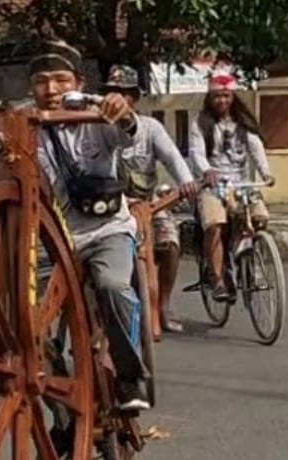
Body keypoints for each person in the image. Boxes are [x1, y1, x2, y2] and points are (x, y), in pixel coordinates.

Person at [0, 39, 153, 413]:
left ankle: (130, 376)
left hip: (105, 232)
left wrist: (122, 112)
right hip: (51, 242)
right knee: (26, 322)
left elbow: (127, 132)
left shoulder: (98, 113)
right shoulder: (22, 120)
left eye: (60, 80)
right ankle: (62, 403)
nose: (50, 89)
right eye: (41, 81)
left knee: (112, 285)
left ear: (78, 82)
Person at [101, 65, 197, 333]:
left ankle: (163, 305)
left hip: (150, 203)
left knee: (171, 243)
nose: (118, 98)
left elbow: (172, 156)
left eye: (124, 93)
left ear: (134, 98)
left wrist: (186, 181)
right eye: (112, 92)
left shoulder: (150, 128)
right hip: (113, 205)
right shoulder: (96, 127)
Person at [189, 69, 275, 302]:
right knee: (215, 225)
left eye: (226, 96)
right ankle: (217, 277)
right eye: (217, 96)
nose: (222, 100)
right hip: (213, 185)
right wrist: (207, 171)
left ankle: (250, 261)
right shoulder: (200, 124)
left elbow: (256, 149)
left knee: (259, 218)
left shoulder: (243, 124)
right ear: (210, 98)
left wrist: (266, 173)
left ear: (233, 97)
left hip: (241, 183)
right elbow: (196, 153)